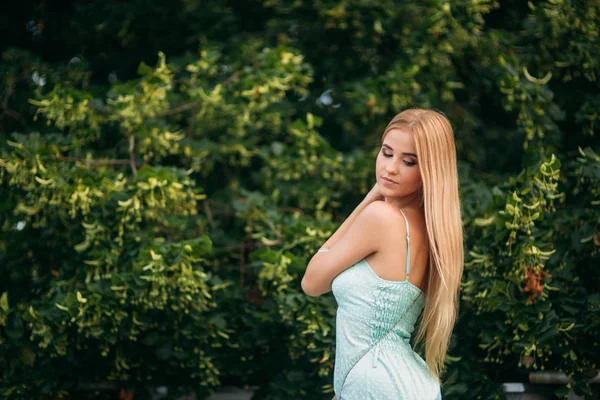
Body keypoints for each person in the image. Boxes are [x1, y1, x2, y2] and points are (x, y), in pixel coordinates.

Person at [301, 108, 464, 399]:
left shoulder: (380, 217)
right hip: (408, 384)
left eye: (409, 161)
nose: (390, 168)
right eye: (387, 153)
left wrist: (369, 199)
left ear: (430, 171)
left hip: (377, 385)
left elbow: (312, 281)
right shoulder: (433, 233)